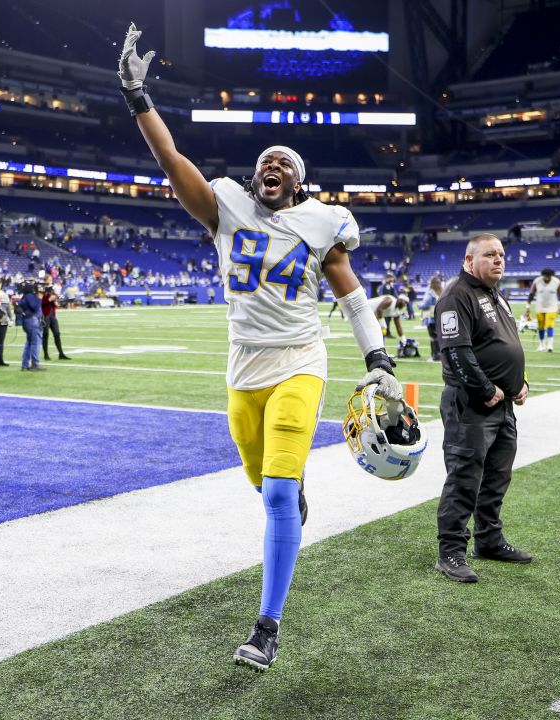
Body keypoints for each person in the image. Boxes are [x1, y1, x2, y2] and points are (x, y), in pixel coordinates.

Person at [120, 22, 406, 673]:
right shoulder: (226, 208)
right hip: (242, 374)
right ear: (254, 178)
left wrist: (379, 361)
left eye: (286, 164)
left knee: (277, 496)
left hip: (300, 367)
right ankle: (289, 490)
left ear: (300, 184)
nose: (272, 166)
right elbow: (171, 160)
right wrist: (139, 97)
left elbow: (352, 295)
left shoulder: (319, 222)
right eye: (265, 162)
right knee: (265, 484)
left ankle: (267, 626)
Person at [432, 233, 531, 584]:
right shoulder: (457, 295)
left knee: (496, 476)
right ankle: (451, 551)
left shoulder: (494, 295)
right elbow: (456, 351)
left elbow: (506, 345)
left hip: (503, 406)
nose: (499, 260)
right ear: (469, 259)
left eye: (502, 254)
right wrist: (485, 389)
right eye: (490, 254)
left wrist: (521, 382)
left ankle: (488, 540)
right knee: (465, 477)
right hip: (472, 404)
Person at [527, 268, 560, 352]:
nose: (547, 278)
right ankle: (541, 345)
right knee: (540, 326)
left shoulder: (556, 282)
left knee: (550, 325)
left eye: (549, 276)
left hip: (552, 307)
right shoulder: (537, 281)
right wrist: (528, 305)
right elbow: (532, 293)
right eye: (545, 276)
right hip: (540, 307)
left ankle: (550, 345)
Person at [16, 282, 44, 372]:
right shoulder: (29, 296)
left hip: (27, 321)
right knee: (35, 343)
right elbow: (35, 306)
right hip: (32, 321)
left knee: (28, 343)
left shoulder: (24, 296)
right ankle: (35, 364)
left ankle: (25, 365)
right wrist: (39, 299)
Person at [40, 285, 71, 361]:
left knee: (57, 333)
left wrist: (57, 302)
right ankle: (46, 354)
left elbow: (57, 304)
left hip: (53, 316)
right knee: (45, 334)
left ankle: (61, 354)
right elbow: (42, 303)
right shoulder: (44, 296)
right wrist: (50, 299)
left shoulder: (53, 296)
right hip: (45, 316)